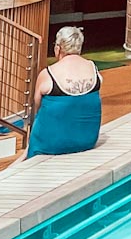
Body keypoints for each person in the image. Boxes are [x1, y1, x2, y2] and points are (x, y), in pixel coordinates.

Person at [27, 26, 102, 157]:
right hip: (87, 140)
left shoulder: (48, 73)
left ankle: (29, 152)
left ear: (58, 48)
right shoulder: (92, 67)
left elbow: (36, 106)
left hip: (51, 144)